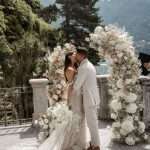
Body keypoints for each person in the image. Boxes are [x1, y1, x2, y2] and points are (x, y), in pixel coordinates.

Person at [73, 46, 101, 150]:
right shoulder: (90, 65)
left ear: (81, 55)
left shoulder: (84, 67)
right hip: (93, 97)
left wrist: (72, 84)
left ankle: (96, 146)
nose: (75, 56)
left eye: (76, 54)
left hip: (89, 98)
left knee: (92, 123)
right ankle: (94, 143)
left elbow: (77, 85)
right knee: (92, 122)